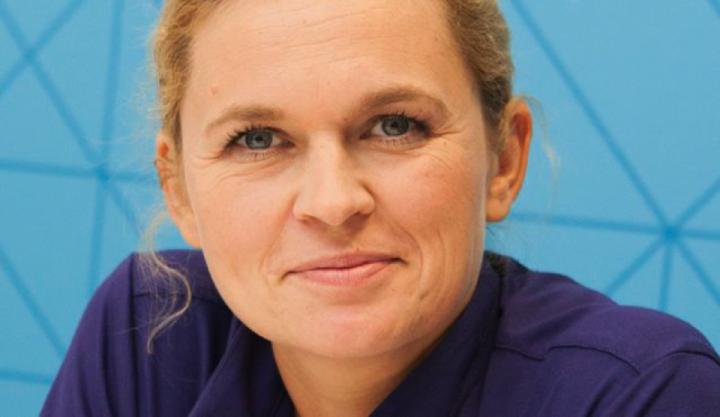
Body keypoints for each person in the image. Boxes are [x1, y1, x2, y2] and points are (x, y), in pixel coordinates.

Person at [41, 0, 720, 416]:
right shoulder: (148, 328)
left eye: (395, 126)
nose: (333, 202)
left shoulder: (643, 394)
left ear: (503, 161)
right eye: (258, 139)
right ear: (179, 189)